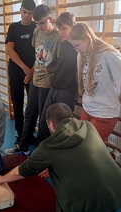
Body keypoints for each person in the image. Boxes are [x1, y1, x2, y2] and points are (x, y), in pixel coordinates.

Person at [0, 103, 121, 212]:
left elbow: (23, 171)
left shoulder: (48, 147)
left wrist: (2, 178)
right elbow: (82, 157)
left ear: (51, 124)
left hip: (97, 204)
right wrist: (56, 165)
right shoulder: (88, 126)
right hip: (119, 192)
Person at [5, 4, 62, 154]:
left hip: (47, 84)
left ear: (50, 19)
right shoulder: (37, 31)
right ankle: (22, 146)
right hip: (35, 80)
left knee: (43, 118)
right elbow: (38, 56)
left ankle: (39, 150)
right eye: (36, 22)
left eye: (42, 22)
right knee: (29, 114)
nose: (39, 26)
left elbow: (60, 64)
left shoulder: (58, 38)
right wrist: (30, 74)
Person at [67, 23, 121, 142]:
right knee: (86, 144)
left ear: (87, 38)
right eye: (74, 47)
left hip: (105, 112)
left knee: (88, 147)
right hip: (88, 108)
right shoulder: (81, 55)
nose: (76, 49)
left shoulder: (108, 54)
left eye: (77, 45)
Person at [36, 12, 78, 143]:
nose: (61, 32)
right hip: (55, 87)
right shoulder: (64, 44)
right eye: (59, 29)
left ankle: (56, 157)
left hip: (68, 90)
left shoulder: (78, 47)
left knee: (61, 128)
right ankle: (41, 152)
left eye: (64, 29)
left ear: (73, 27)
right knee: (44, 122)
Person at [5, 0, 36, 147]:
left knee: (32, 105)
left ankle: (29, 134)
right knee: (17, 103)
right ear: (20, 10)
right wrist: (24, 68)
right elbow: (10, 50)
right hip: (17, 70)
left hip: (34, 72)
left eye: (30, 13)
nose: (27, 16)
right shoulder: (14, 27)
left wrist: (31, 72)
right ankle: (20, 134)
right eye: (24, 12)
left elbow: (40, 51)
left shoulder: (37, 28)